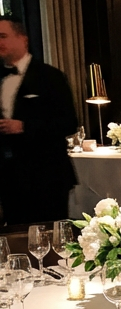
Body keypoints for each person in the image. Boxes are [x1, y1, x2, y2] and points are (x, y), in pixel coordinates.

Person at [0, 18, 78, 224]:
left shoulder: (50, 77)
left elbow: (68, 122)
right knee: (15, 235)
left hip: (46, 176)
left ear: (23, 40)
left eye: (3, 36)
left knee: (50, 234)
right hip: (9, 177)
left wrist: (24, 127)